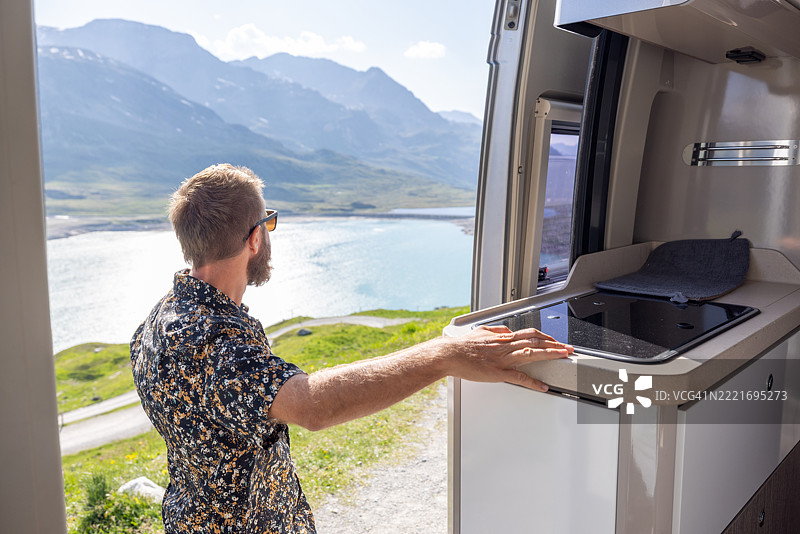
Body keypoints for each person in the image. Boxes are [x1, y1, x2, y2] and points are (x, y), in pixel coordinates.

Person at [130, 163, 574, 534]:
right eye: (269, 222)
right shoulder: (214, 339)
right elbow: (309, 405)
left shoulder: (156, 321)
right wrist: (445, 355)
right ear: (254, 238)